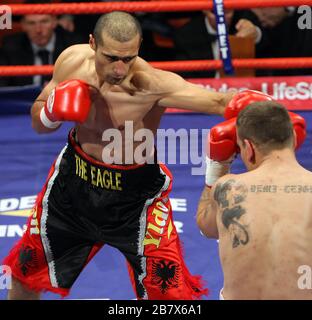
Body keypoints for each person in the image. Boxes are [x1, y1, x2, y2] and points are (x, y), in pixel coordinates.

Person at [3, 11, 243, 300]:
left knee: (171, 296)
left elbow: (221, 102)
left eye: (128, 59)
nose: (119, 69)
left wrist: (265, 110)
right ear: (92, 43)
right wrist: (51, 112)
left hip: (137, 199)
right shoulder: (72, 61)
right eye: (111, 58)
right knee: (25, 275)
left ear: (139, 47)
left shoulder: (153, 85)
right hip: (73, 186)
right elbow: (38, 123)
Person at [196, 95, 312, 299]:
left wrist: (217, 167)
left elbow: (206, 228)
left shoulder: (228, 187)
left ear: (248, 148)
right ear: (294, 137)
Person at [0, 10, 82, 87]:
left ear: (54, 22)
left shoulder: (73, 45)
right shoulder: (11, 46)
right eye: (31, 23)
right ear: (23, 25)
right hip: (25, 101)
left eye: (44, 21)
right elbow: (4, 87)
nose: (38, 30)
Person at [174, 9, 262, 78]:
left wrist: (255, 33)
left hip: (241, 87)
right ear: (205, 10)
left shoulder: (244, 18)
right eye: (214, 12)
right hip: (205, 91)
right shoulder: (187, 34)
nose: (221, 17)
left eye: (227, 11)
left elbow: (269, 43)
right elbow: (184, 73)